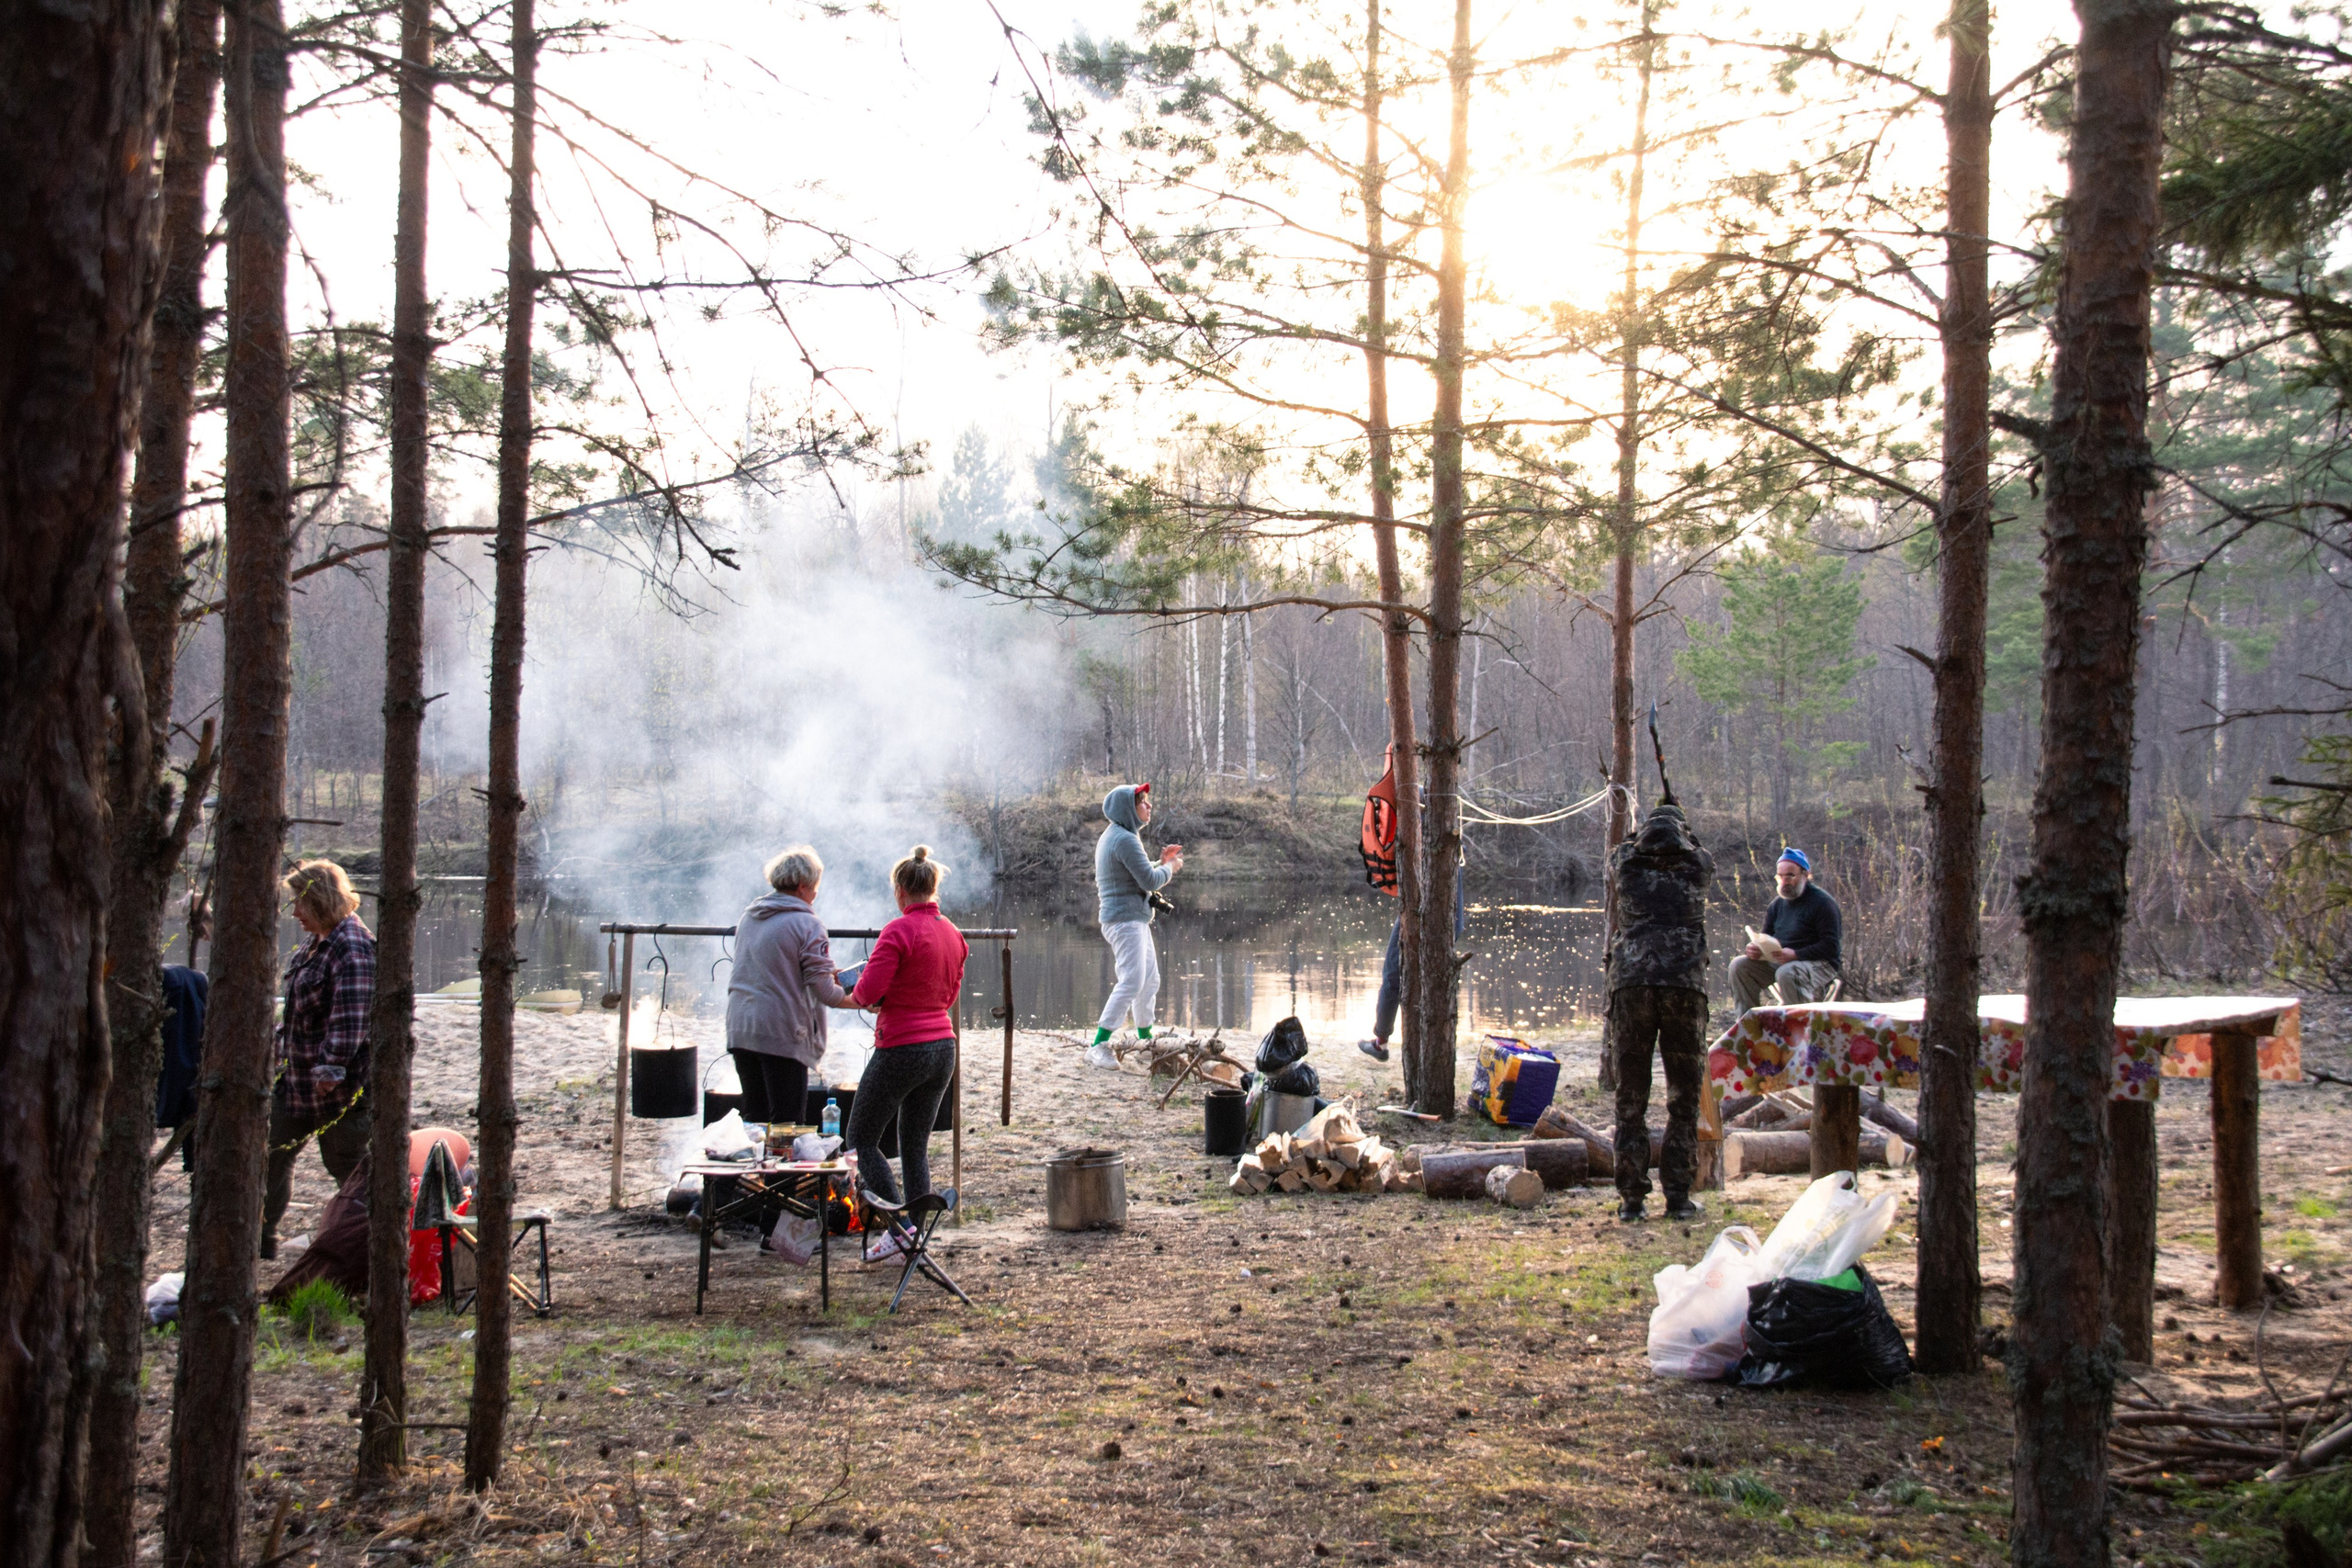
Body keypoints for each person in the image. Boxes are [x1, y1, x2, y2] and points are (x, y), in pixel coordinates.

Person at [842, 845, 968, 1262]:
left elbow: (866, 992)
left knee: (860, 1139)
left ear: (900, 891)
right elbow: (948, 993)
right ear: (933, 889)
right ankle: (914, 1239)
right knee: (913, 1143)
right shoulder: (953, 933)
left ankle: (900, 1230)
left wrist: (859, 994)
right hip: (943, 1048)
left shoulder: (896, 931)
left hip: (902, 1047)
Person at [1605, 797, 1714, 1223]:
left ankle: (1632, 1199)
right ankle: (1678, 1196)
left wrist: (1640, 832)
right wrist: (1685, 830)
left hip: (1631, 985)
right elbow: (1699, 849)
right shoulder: (1698, 866)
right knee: (1683, 1098)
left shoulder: (1626, 865)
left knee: (1630, 1097)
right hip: (1684, 986)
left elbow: (1624, 848)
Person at [264, 860, 376, 1260]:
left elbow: (352, 1015)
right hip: (296, 1079)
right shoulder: (316, 943)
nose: (294, 913)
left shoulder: (353, 945)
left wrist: (331, 1069)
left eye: (300, 903)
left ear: (322, 900)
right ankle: (262, 1241)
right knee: (272, 1152)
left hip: (338, 1085)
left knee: (346, 1160)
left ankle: (383, 1239)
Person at [725, 844, 853, 1127]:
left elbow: (776, 967)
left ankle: (753, 1171)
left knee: (754, 1121)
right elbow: (823, 992)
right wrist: (859, 1000)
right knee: (786, 1124)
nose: (816, 894)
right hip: (782, 1033)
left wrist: (827, 971)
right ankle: (783, 1174)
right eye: (815, 887)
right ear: (802, 887)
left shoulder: (750, 916)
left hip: (741, 1027)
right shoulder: (808, 923)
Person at [1088, 783, 1182, 1068]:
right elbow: (1150, 881)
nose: (1149, 806)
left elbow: (1137, 870)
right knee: (1132, 981)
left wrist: (1159, 861)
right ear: (1129, 810)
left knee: (1149, 979)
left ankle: (1145, 1038)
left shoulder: (1118, 835)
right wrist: (1170, 868)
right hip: (1124, 920)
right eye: (1143, 802)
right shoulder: (1124, 839)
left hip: (1132, 919)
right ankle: (1098, 1045)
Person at [1729, 847, 1843, 1016]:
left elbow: (1831, 947)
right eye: (1780, 876)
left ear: (1805, 875)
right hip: (1783, 960)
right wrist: (1755, 949)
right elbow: (1764, 938)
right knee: (1739, 966)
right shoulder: (1776, 905)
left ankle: (1798, 1028)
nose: (1785, 881)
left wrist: (1796, 954)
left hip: (1820, 962)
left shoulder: (1823, 903)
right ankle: (1748, 1026)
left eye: (1790, 876)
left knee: (1788, 973)